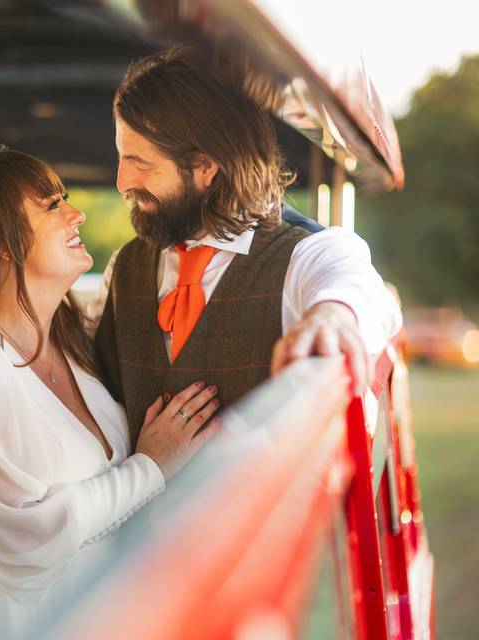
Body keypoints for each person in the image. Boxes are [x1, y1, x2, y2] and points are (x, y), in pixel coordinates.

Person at [0, 133, 221, 640]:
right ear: (3, 245)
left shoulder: (77, 343)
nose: (77, 215)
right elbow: (22, 544)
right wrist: (151, 466)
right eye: (52, 205)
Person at [93, 46, 402, 440]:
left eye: (141, 163)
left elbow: (353, 280)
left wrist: (334, 315)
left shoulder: (302, 254)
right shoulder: (123, 268)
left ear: (206, 166)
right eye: (122, 157)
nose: (122, 183)